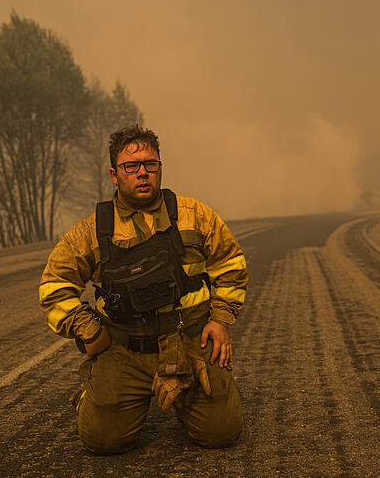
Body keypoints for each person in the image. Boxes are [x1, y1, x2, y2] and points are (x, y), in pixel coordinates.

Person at [39, 124, 247, 454]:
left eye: (151, 164)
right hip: (125, 350)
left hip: (190, 341)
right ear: (114, 173)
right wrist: (90, 332)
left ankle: (195, 400)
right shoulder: (93, 231)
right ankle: (95, 396)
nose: (143, 173)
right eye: (131, 166)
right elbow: (53, 285)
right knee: (102, 441)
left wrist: (220, 320)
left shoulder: (194, 215)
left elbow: (231, 264)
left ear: (160, 168)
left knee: (221, 433)